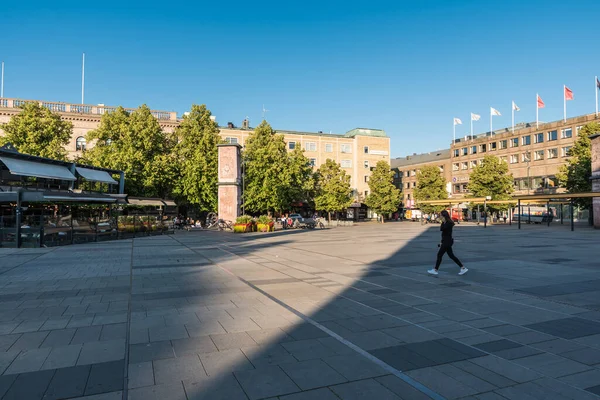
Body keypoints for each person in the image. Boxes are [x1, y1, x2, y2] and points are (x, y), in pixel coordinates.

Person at [428, 210, 468, 276]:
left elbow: (442, 229)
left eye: (440, 215)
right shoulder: (445, 222)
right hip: (446, 241)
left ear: (444, 216)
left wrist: (442, 222)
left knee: (439, 255)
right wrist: (441, 242)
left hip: (447, 242)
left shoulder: (448, 223)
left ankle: (435, 270)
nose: (440, 216)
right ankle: (463, 268)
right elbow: (443, 231)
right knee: (451, 255)